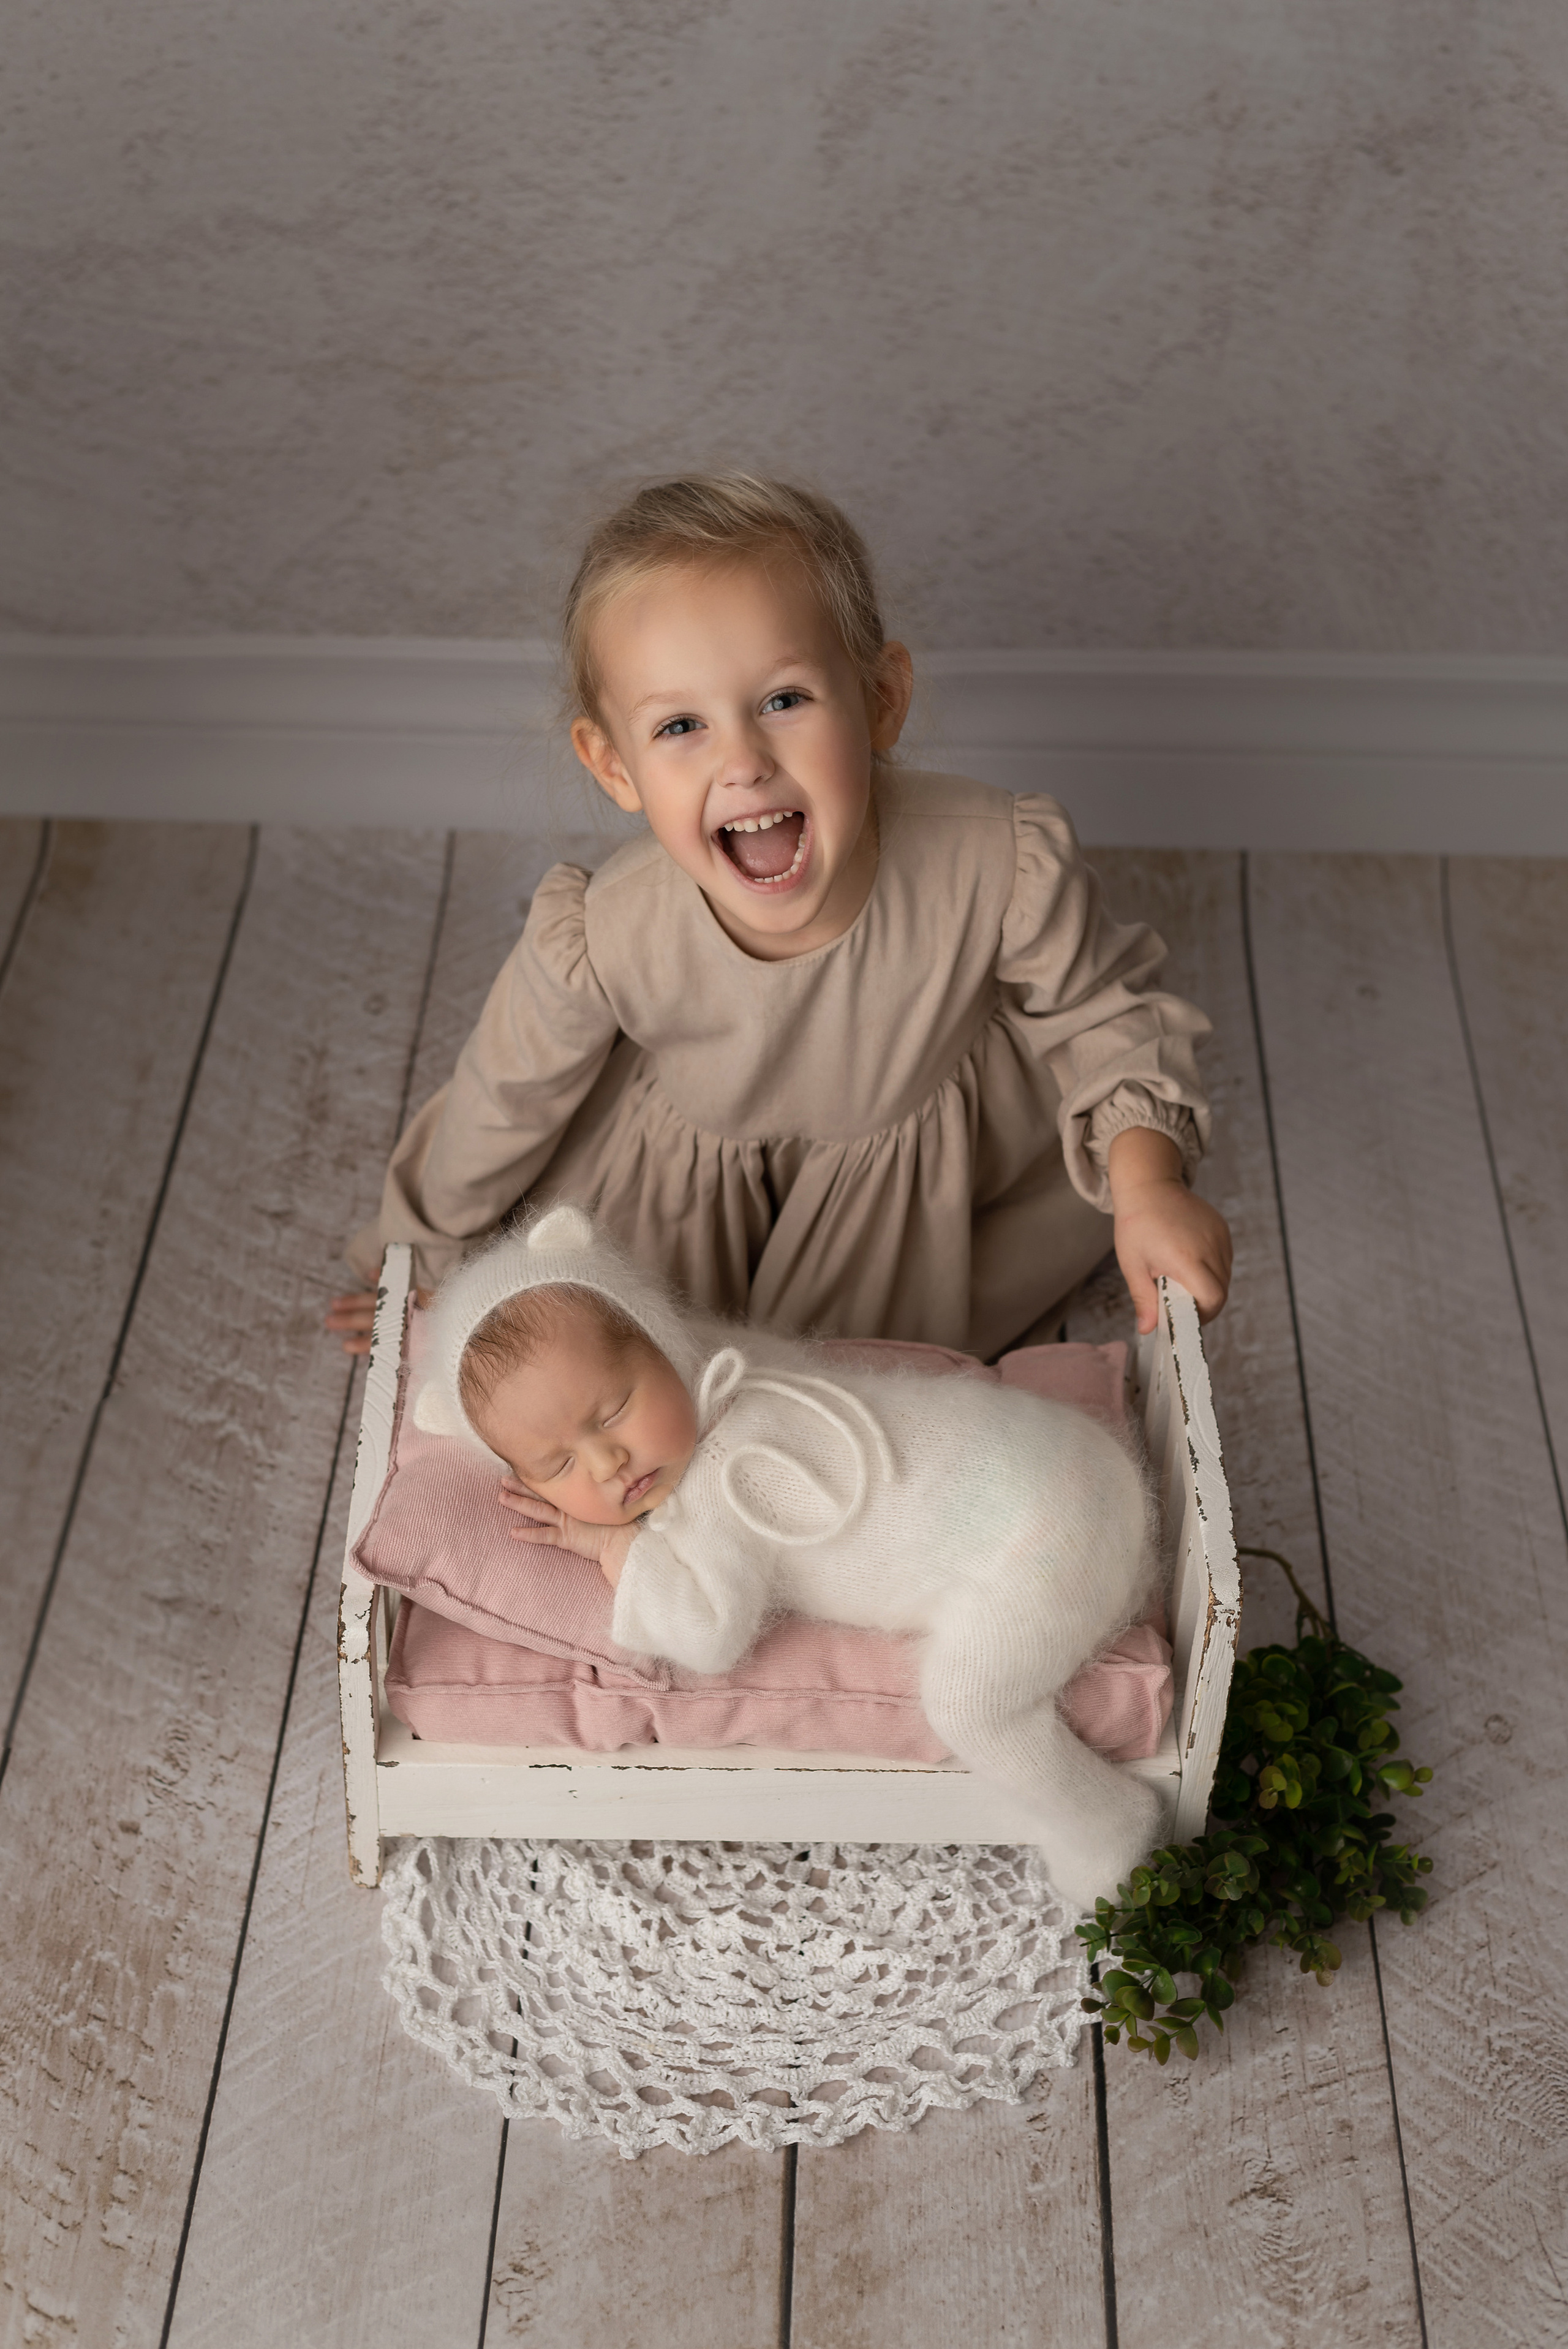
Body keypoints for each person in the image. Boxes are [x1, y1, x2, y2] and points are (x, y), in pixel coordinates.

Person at [328, 473, 1231, 1362]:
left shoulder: (993, 859)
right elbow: (503, 1097)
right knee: (630, 1366)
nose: (744, 761)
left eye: (783, 701)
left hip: (909, 1212)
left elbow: (1104, 1018)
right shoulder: (609, 931)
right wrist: (423, 1260)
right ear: (614, 767)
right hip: (677, 1210)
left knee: (864, 1396)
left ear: (881, 701)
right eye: (681, 726)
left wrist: (1147, 1183)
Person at [417, 1206, 1164, 1912]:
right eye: (556, 1466)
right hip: (1076, 1458)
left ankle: (1108, 1823)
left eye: (611, 1413)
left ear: (663, 1344)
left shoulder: (722, 1486)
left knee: (968, 1706)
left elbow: (708, 1635)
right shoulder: (730, 1363)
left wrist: (618, 1545)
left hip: (1044, 1544)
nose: (608, 1460)